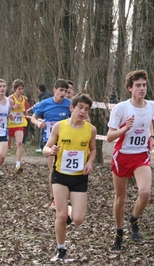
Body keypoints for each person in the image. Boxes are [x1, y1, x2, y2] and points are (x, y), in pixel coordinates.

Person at [106, 69, 154, 250]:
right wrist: (124, 129)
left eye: (144, 85)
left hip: (141, 156)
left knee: (144, 193)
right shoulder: (121, 108)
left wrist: (151, 138)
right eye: (137, 85)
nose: (142, 88)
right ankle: (118, 232)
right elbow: (109, 137)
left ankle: (134, 220)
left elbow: (149, 123)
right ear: (129, 88)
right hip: (122, 156)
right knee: (120, 198)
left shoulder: (151, 105)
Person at [43, 93, 96, 261]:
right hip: (60, 176)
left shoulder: (91, 130)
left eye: (86, 109)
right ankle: (61, 249)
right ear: (72, 108)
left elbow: (93, 149)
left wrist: (90, 162)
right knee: (61, 216)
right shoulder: (59, 126)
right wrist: (51, 151)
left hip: (79, 177)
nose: (83, 112)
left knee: (79, 219)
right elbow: (46, 148)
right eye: (80, 107)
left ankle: (68, 207)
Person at [31, 79, 71, 211]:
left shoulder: (69, 104)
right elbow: (33, 118)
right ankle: (54, 200)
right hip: (49, 141)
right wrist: (38, 124)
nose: (63, 93)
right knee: (53, 170)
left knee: (66, 169)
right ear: (54, 89)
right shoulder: (45, 103)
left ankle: (66, 198)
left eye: (65, 91)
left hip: (66, 142)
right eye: (61, 90)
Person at [7, 79, 28, 173]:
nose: (21, 91)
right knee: (8, 146)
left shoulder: (24, 98)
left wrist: (24, 111)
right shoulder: (10, 98)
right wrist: (12, 107)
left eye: (22, 89)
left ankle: (18, 164)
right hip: (10, 124)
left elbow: (23, 108)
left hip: (19, 124)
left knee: (19, 143)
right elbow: (4, 109)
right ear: (15, 89)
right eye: (19, 89)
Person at [35, 84, 54, 153]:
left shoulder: (44, 97)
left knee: (45, 133)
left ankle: (43, 147)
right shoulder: (48, 94)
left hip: (46, 118)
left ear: (39, 90)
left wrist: (40, 116)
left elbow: (42, 108)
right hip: (46, 118)